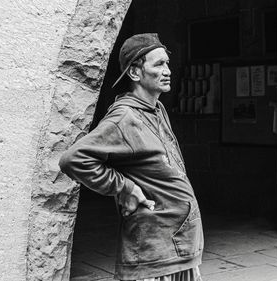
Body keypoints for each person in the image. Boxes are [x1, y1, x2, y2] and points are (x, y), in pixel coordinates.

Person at [59, 33, 203, 281]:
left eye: (167, 63)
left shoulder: (156, 109)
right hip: (154, 253)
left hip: (178, 247)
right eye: (158, 64)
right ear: (135, 73)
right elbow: (73, 159)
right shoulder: (125, 117)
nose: (168, 70)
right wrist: (125, 187)